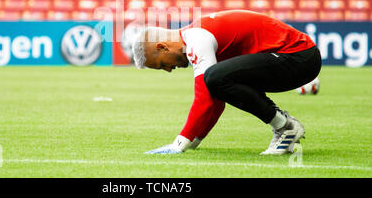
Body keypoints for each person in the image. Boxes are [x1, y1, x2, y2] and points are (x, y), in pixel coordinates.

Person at [132, 10, 321, 155]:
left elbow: (205, 97)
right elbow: (216, 97)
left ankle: (286, 128)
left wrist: (179, 143)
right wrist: (196, 138)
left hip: (298, 57)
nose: (168, 70)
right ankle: (284, 126)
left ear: (162, 46)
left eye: (163, 64)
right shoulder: (198, 35)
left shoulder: (197, 39)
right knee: (217, 79)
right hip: (297, 58)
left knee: (215, 77)